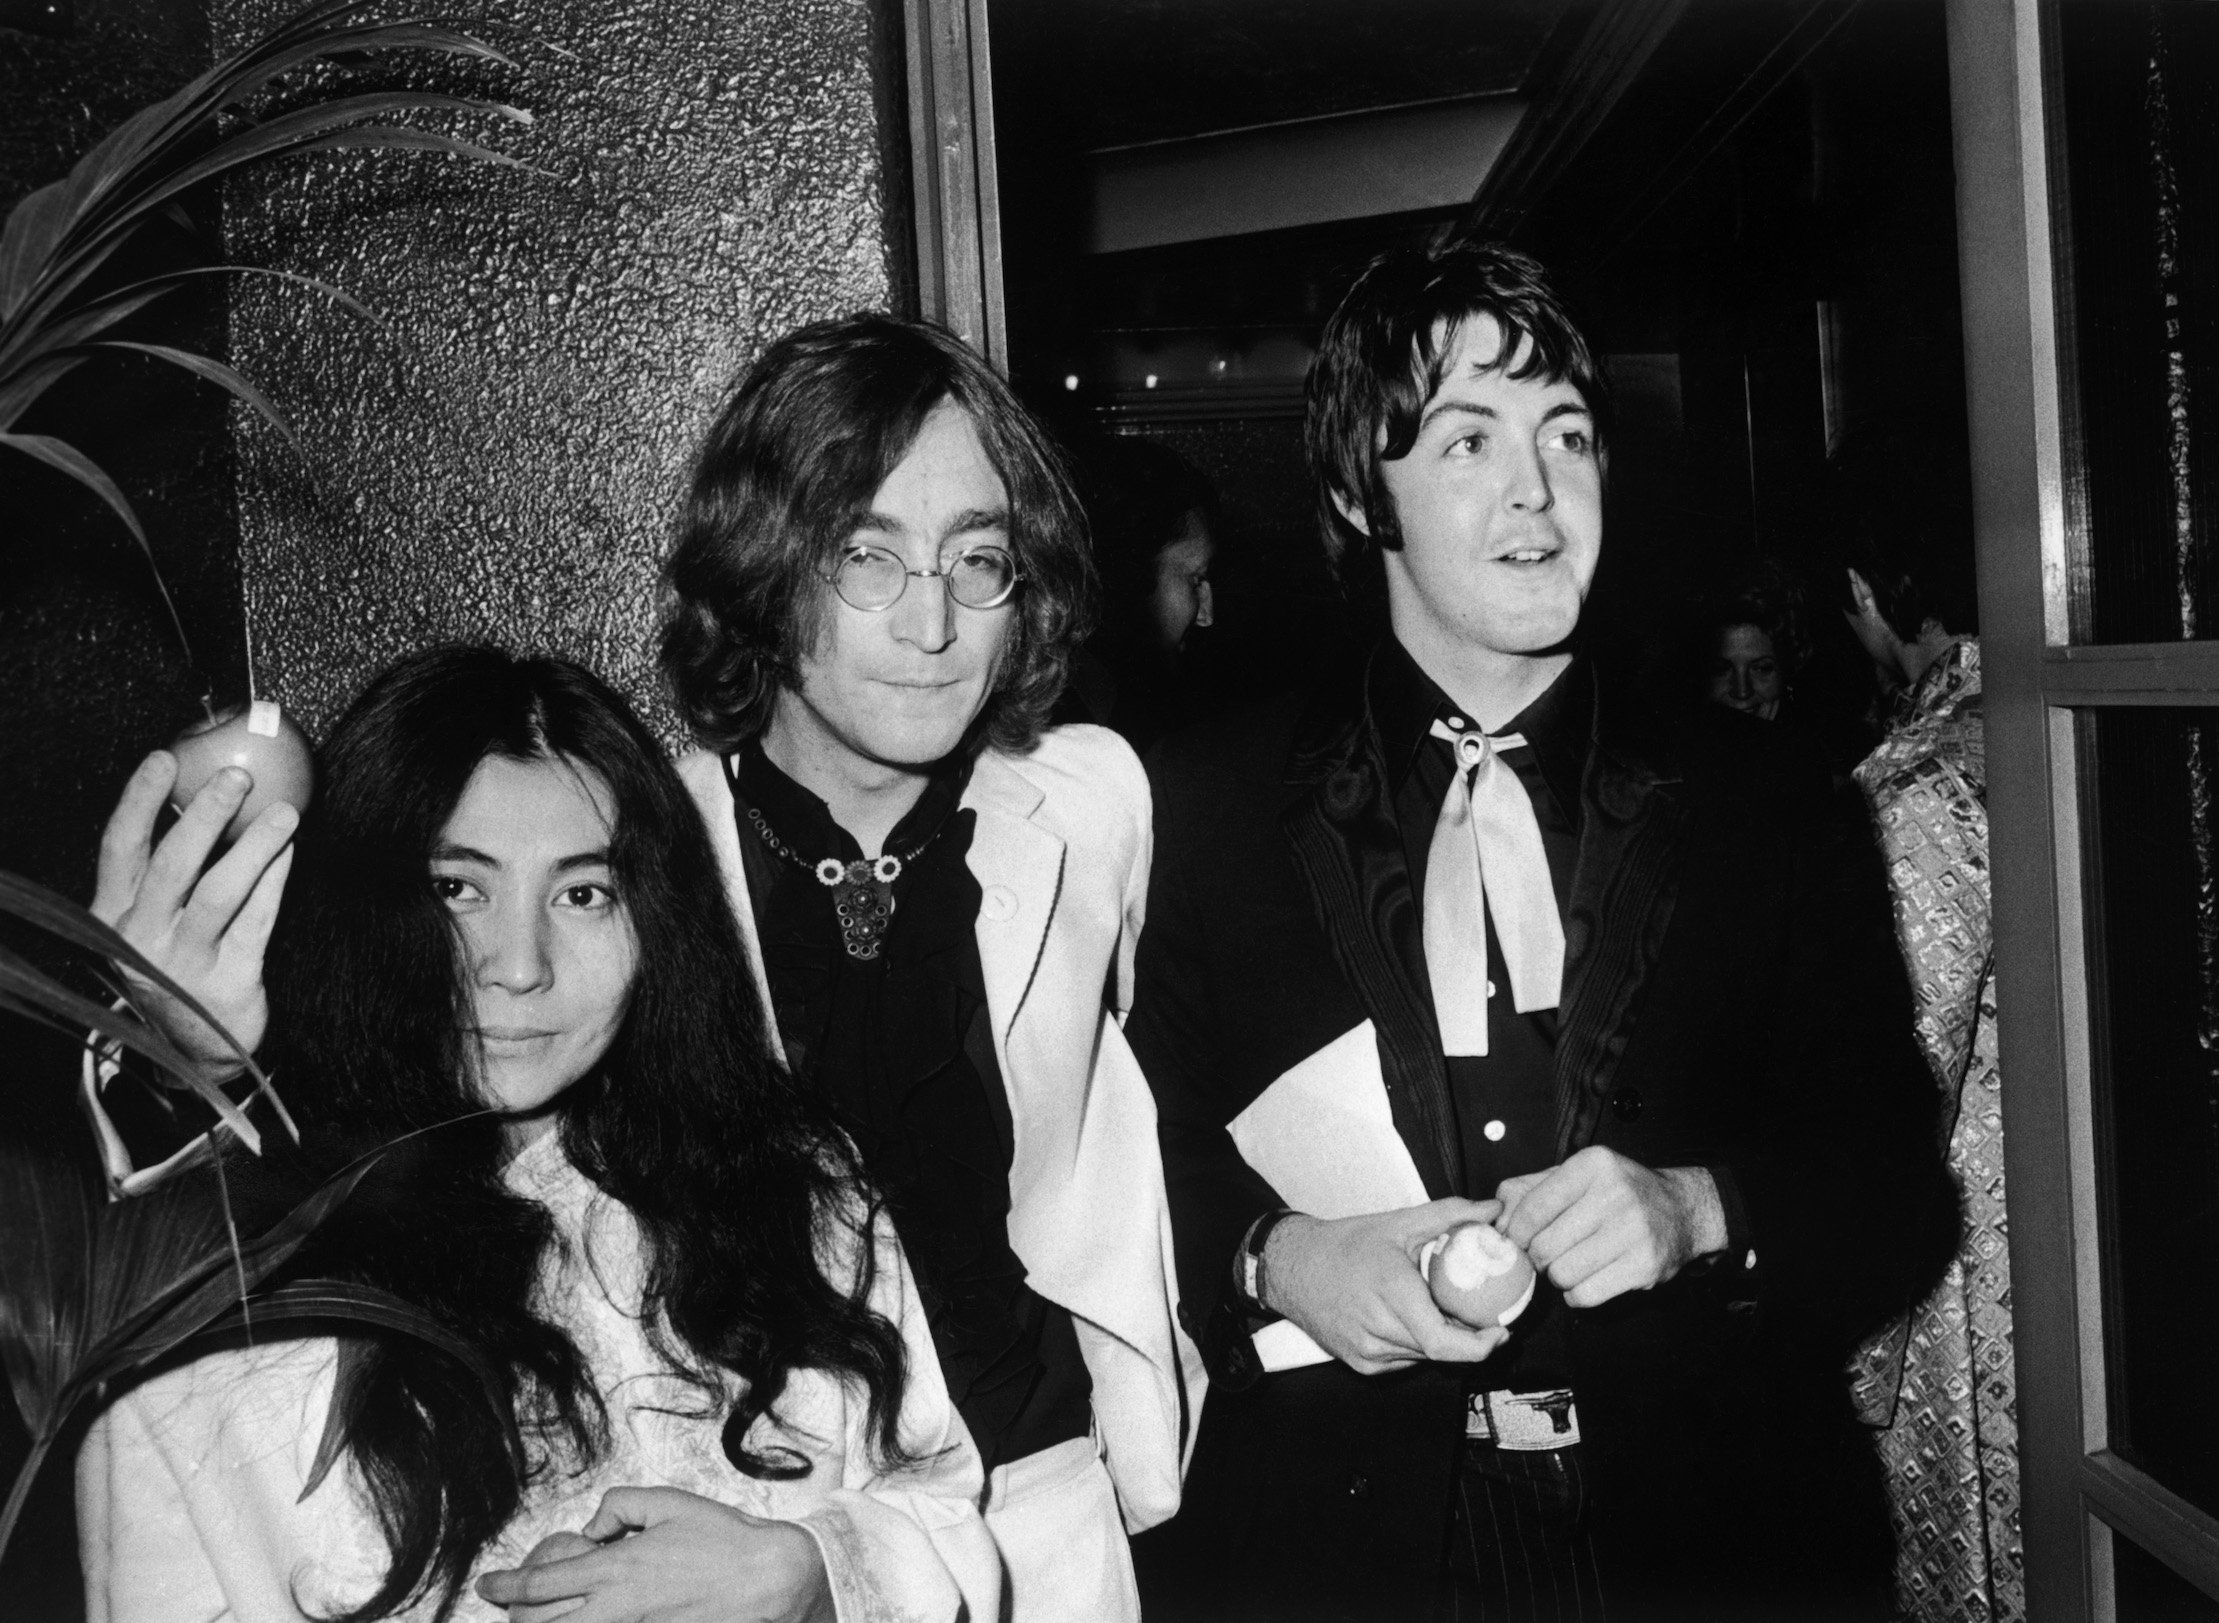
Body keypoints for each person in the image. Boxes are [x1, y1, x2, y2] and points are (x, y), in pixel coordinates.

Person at [1126, 238, 1955, 1621]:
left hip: (1716, 1544)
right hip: (1341, 1552)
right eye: (1465, 440)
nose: (1535, 491)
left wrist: (1700, 1209)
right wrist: (1274, 1255)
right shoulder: (1196, 808)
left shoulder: (1766, 803)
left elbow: (1893, 1193)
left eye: (1564, 435)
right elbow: (1114, 1163)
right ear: (1352, 490)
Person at [77, 648, 999, 1623]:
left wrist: (811, 1577)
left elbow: (937, 1503)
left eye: (583, 893)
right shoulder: (247, 1258)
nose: (519, 967)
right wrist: (174, 1072)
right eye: (456, 890)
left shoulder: (790, 1185)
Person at [650, 314, 1197, 1623]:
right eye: (866, 557)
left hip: (1048, 1515)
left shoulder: (1089, 802)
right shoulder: (643, 850)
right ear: (767, 571)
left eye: (978, 561)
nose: (934, 623)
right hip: (759, 1535)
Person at [1837, 526, 2021, 1623]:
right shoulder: (2036, 721)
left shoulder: (1919, 781)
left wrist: (1852, 1349)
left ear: (1864, 588)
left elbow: (1891, 1075)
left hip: (1966, 1262)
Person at [1064, 437, 1219, 750]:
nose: (1206, 615)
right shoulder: (1087, 731)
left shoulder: (1103, 703)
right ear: (1128, 575)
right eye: (1195, 578)